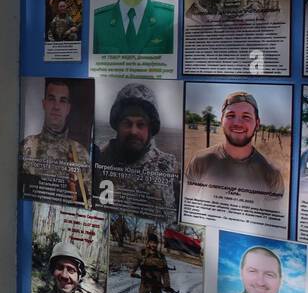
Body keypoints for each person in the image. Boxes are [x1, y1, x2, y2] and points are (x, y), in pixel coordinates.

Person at [94, 83, 179, 218]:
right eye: (127, 123)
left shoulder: (168, 166)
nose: (133, 131)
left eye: (141, 124)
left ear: (150, 128)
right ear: (117, 125)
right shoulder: (100, 160)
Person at [186, 91, 283, 195]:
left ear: (257, 123)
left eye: (246, 117)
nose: (237, 123)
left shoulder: (272, 174)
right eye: (231, 115)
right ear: (222, 120)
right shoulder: (200, 161)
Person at [21, 78, 90, 199]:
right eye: (52, 99)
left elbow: (87, 200)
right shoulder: (26, 146)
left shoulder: (80, 153)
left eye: (62, 101)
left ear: (68, 108)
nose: (56, 106)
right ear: (44, 104)